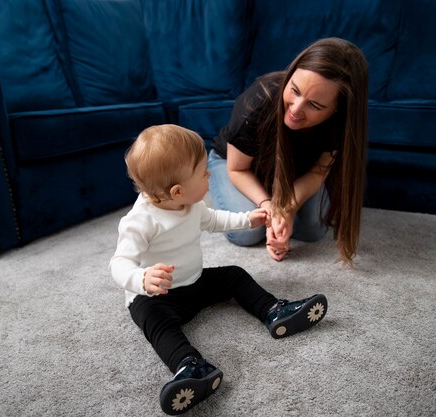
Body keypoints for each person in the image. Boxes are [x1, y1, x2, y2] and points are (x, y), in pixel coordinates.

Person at [109, 124, 328, 415]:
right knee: (155, 323)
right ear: (177, 191)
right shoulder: (139, 221)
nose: (210, 174)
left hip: (194, 282)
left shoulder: (190, 204)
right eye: (203, 173)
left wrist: (247, 219)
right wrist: (141, 278)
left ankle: (274, 311)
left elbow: (214, 220)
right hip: (157, 297)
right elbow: (118, 264)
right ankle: (190, 367)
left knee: (234, 274)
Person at [208, 37, 369, 265]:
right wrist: (271, 208)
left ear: (336, 110)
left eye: (315, 105)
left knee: (313, 230)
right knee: (247, 233)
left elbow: (317, 172)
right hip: (238, 165)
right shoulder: (258, 100)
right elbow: (238, 169)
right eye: (294, 90)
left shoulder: (342, 123)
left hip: (296, 170)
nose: (295, 109)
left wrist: (288, 209)